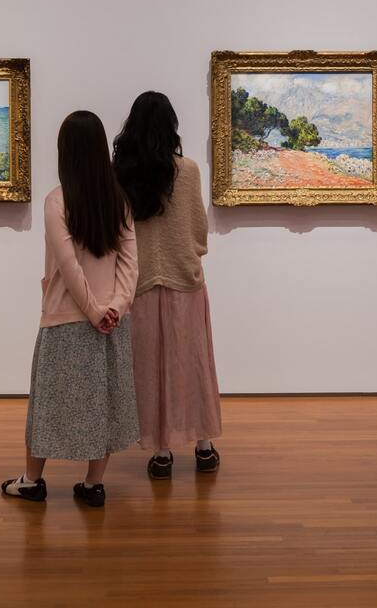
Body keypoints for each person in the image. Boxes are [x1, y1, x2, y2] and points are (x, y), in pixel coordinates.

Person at [1, 111, 139, 507]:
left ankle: (32, 480)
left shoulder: (57, 201)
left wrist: (95, 310)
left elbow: (68, 266)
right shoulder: (119, 200)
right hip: (111, 323)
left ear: (65, 152)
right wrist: (114, 307)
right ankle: (94, 484)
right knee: (103, 403)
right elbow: (131, 264)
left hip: (66, 319)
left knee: (46, 404)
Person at [112, 91, 222, 479]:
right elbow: (198, 229)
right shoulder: (187, 170)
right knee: (192, 364)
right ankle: (204, 446)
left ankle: (160, 452)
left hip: (138, 283)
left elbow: (117, 233)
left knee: (149, 366)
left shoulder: (122, 172)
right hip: (184, 279)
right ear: (170, 126)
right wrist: (191, 252)